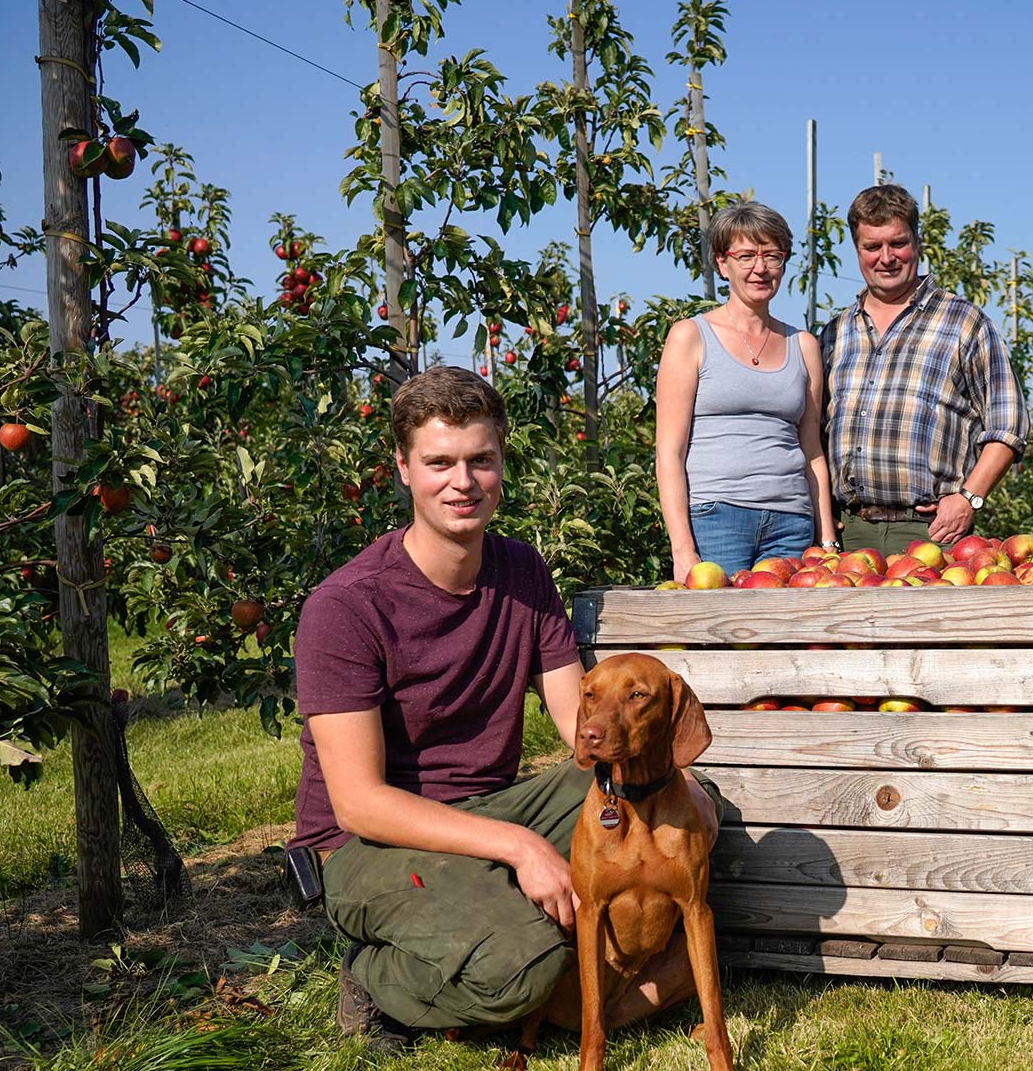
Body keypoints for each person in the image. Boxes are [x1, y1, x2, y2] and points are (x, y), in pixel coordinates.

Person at [290, 366, 721, 1046]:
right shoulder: (345, 607)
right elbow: (358, 804)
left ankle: (604, 964)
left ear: (500, 466)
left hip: (489, 804)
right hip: (367, 845)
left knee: (688, 797)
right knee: (528, 963)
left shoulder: (521, 571)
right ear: (403, 468)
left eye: (480, 461)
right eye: (439, 463)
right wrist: (521, 847)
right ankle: (379, 978)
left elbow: (577, 727)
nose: (462, 482)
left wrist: (664, 776)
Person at [820, 184, 1028, 556]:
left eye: (897, 243)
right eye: (872, 247)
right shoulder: (836, 333)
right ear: (857, 250)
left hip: (931, 531)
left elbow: (1008, 424)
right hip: (847, 534)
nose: (886, 257)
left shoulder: (963, 322)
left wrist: (970, 498)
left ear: (917, 242)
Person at [656, 201, 835, 579]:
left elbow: (812, 450)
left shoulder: (803, 345)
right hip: (717, 518)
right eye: (747, 255)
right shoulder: (691, 337)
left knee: (788, 635)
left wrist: (827, 540)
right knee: (720, 634)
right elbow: (669, 453)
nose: (760, 268)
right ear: (723, 263)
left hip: (792, 523)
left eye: (772, 256)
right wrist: (683, 549)